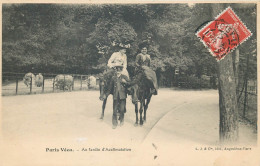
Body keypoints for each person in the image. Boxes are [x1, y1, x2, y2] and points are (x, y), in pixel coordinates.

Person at [104, 61, 131, 129]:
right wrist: (106, 94)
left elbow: (130, 84)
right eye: (117, 70)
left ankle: (121, 120)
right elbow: (110, 87)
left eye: (120, 70)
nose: (118, 71)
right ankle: (114, 123)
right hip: (115, 96)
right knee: (114, 110)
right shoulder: (113, 78)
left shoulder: (124, 77)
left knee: (122, 110)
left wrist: (125, 82)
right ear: (116, 71)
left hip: (123, 96)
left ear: (121, 71)